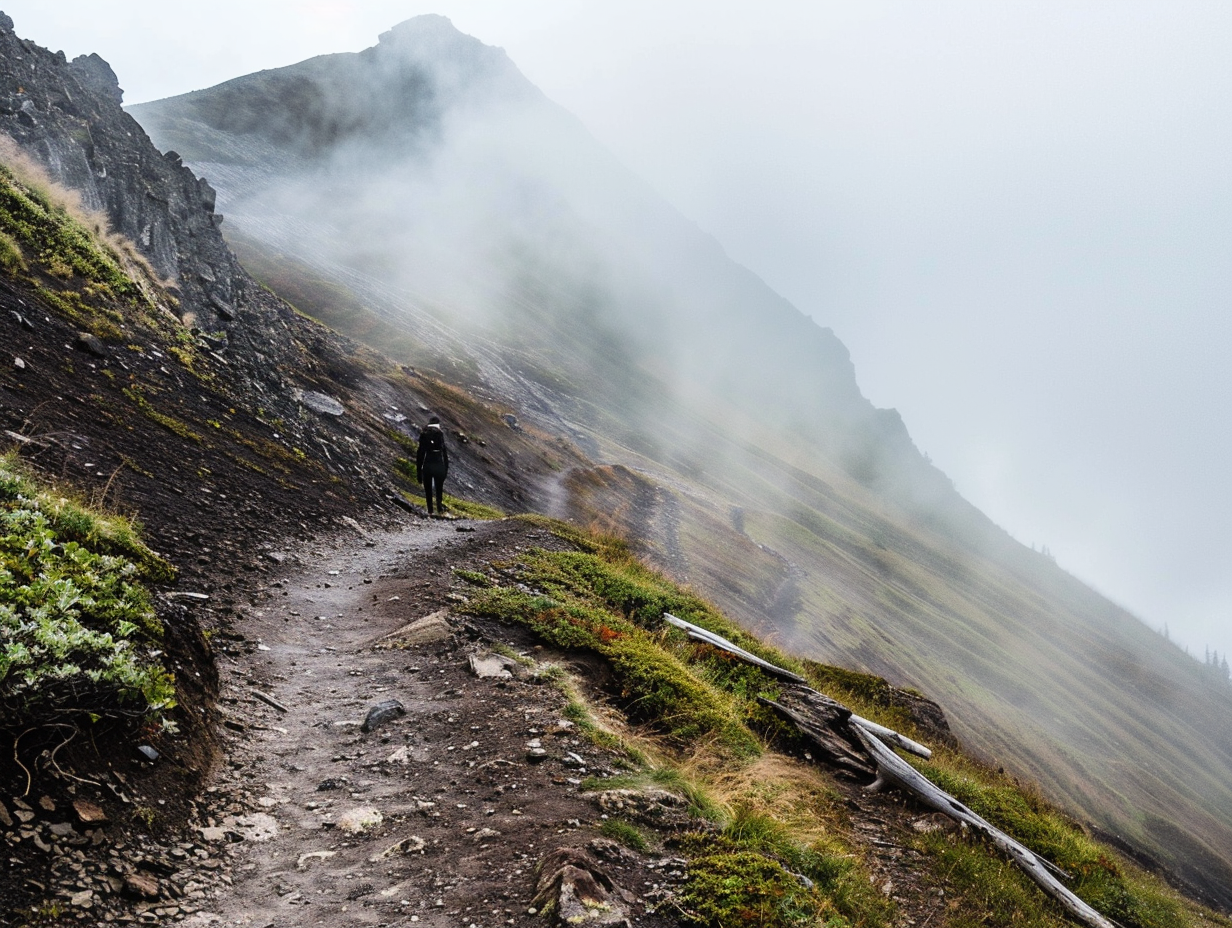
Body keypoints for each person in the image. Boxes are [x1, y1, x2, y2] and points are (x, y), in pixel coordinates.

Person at [415, 415, 449, 516]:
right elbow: (444, 453)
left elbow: (420, 453)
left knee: (428, 487)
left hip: (428, 462)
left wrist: (418, 471)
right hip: (439, 463)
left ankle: (430, 510)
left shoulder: (424, 434)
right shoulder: (440, 434)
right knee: (439, 487)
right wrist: (445, 469)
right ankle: (439, 507)